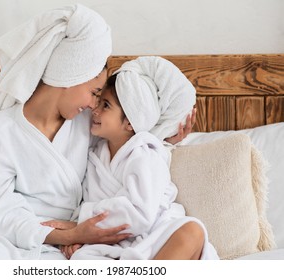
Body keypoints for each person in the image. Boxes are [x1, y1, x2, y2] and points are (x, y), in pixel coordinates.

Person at [0, 4, 195, 260]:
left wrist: (163, 137)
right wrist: (70, 235)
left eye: (101, 100)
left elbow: (125, 143)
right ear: (70, 76)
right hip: (11, 239)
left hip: (70, 245)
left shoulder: (86, 124)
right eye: (93, 93)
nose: (94, 105)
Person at [51, 57, 219, 260]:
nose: (94, 110)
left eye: (105, 105)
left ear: (130, 122)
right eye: (98, 101)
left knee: (192, 231)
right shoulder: (95, 156)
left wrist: (81, 224)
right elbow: (87, 200)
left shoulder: (146, 154)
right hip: (111, 241)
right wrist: (81, 236)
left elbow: (141, 212)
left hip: (155, 236)